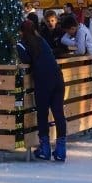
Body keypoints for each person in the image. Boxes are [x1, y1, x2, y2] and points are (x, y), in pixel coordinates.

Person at [19, 19, 68, 161]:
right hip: (58, 77)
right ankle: (61, 149)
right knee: (58, 113)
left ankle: (45, 148)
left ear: (21, 32)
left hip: (43, 80)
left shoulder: (22, 44)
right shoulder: (43, 41)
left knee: (42, 114)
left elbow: (26, 59)